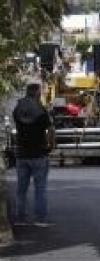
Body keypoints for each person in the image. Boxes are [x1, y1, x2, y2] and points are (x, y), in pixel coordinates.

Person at [12, 82, 53, 226]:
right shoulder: (41, 110)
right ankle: (40, 219)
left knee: (21, 189)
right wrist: (51, 145)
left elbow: (16, 129)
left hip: (22, 154)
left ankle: (20, 219)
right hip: (39, 154)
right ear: (36, 93)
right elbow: (50, 130)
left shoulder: (18, 110)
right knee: (40, 189)